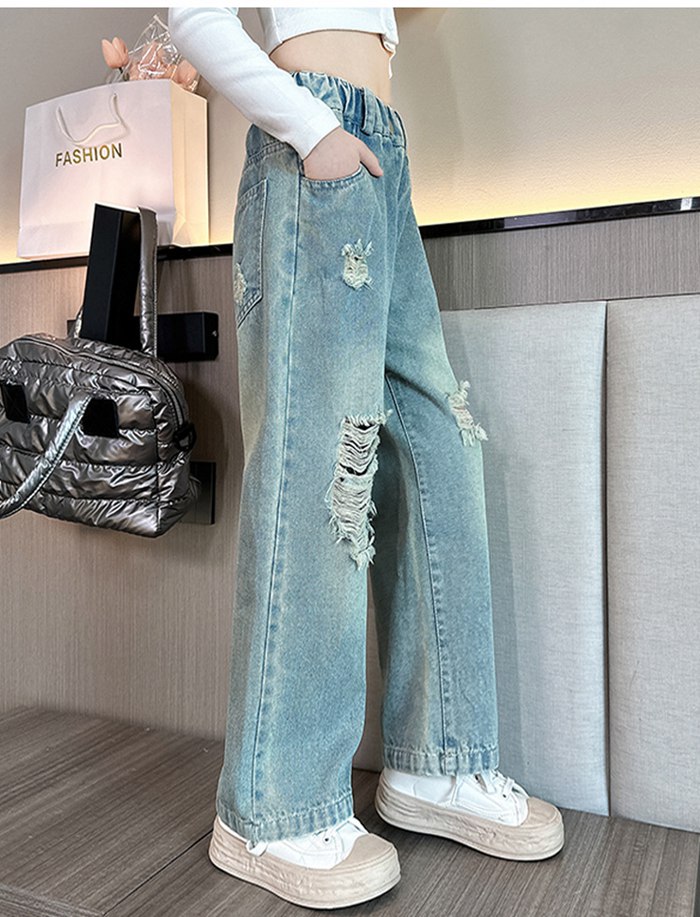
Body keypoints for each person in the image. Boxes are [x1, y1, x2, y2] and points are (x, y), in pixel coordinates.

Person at [167, 7, 565, 910]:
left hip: (377, 147)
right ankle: (272, 807)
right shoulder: (311, 128)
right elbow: (189, 14)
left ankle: (438, 760)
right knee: (324, 475)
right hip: (313, 137)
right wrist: (311, 129)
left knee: (440, 448)